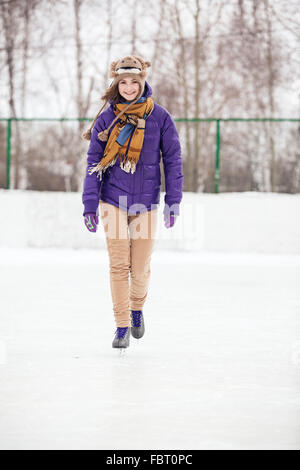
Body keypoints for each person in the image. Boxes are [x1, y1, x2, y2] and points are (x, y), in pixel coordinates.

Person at [81, 55, 183, 349]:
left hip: (146, 203)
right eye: (122, 82)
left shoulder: (160, 117)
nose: (128, 87)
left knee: (139, 268)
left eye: (133, 82)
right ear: (116, 84)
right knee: (118, 265)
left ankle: (137, 308)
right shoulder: (106, 118)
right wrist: (89, 204)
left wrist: (173, 200)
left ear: (142, 83)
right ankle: (121, 325)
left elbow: (173, 160)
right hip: (112, 199)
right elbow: (93, 162)